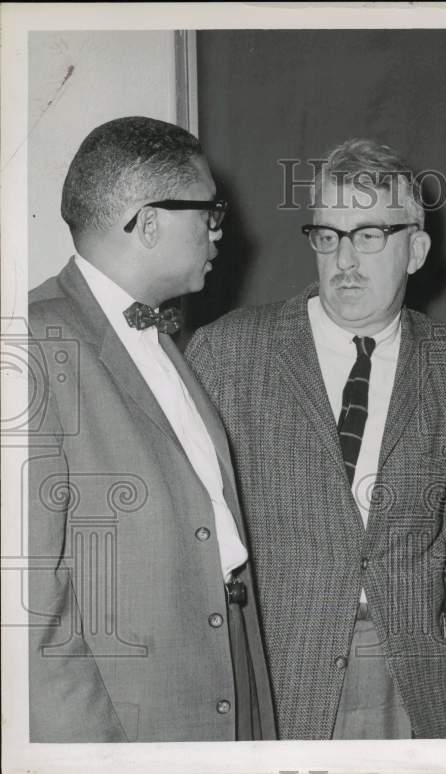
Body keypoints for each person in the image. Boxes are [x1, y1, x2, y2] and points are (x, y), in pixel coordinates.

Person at [186, 138, 446, 739]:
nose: (345, 259)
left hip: (413, 680)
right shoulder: (230, 351)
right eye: (328, 235)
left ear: (416, 250)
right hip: (273, 672)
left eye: (370, 235)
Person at [26, 116, 275, 741]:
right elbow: (34, 611)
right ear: (150, 220)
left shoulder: (161, 336)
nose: (220, 230)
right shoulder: (36, 341)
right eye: (209, 211)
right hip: (134, 725)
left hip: (227, 681)